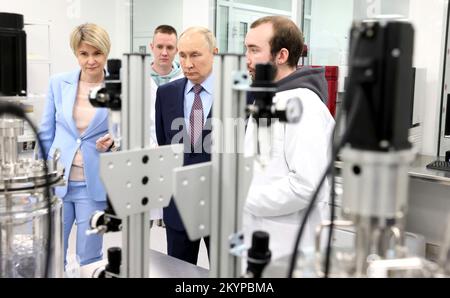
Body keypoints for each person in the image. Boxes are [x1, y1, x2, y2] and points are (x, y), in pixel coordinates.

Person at [243, 16, 335, 260]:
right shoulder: (271, 98)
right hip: (260, 237)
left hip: (289, 247)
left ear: (281, 55)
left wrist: (242, 196)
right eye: (246, 49)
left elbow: (306, 186)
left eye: (254, 50)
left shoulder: (305, 107)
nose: (247, 60)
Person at [39, 23, 114, 267]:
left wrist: (117, 141)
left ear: (106, 52)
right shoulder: (58, 83)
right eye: (84, 54)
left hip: (94, 185)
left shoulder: (118, 88)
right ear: (76, 54)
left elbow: (129, 134)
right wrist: (39, 180)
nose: (91, 61)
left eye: (97, 53)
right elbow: (46, 132)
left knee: (90, 255)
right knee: (51, 251)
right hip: (57, 182)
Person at [155, 27, 218, 265]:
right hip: (178, 208)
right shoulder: (166, 93)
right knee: (178, 273)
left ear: (214, 53)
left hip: (222, 210)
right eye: (182, 55)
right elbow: (165, 148)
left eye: (195, 55)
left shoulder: (239, 95)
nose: (187, 63)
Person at [148, 25, 184, 228]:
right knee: (141, 225)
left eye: (170, 47)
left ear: (176, 49)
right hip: (144, 155)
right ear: (151, 47)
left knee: (174, 221)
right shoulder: (135, 79)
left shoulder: (186, 80)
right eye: (159, 46)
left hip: (174, 156)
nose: (164, 52)